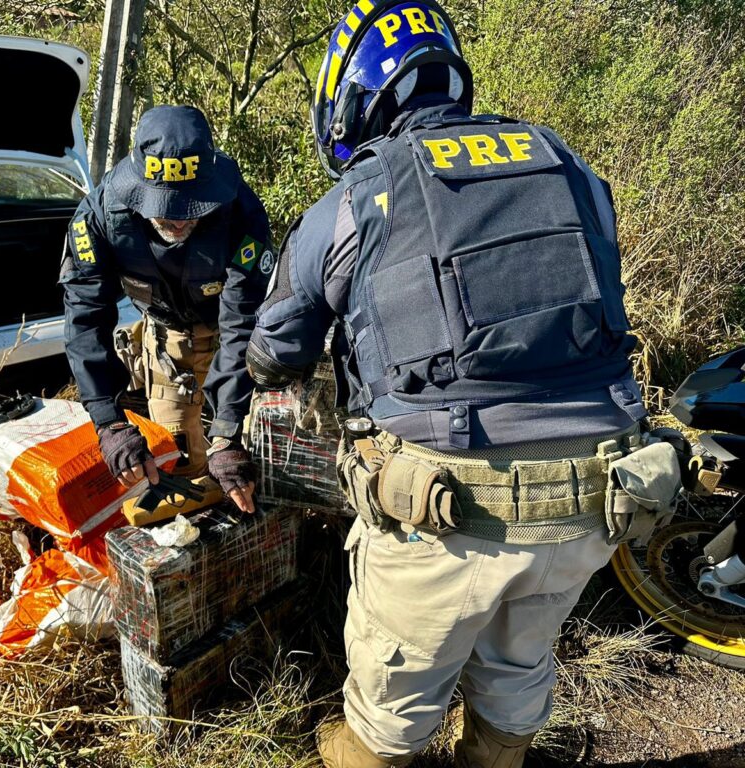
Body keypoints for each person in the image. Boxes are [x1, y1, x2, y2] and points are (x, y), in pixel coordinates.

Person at [246, 2, 681, 766]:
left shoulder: (361, 193)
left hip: (444, 508)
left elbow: (276, 348)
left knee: (389, 719)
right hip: (593, 502)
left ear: (353, 96)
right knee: (520, 668)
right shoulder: (564, 161)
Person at [62, 105, 273, 514]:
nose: (176, 221)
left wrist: (228, 433)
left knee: (246, 459)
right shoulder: (99, 217)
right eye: (162, 205)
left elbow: (242, 318)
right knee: (176, 460)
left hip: (233, 341)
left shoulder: (240, 211)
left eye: (190, 207)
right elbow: (85, 317)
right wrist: (109, 421)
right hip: (167, 341)